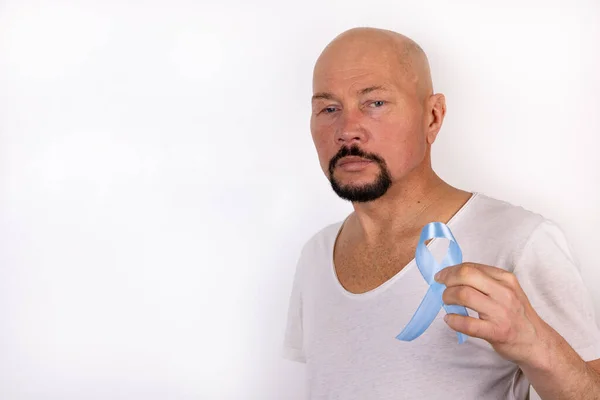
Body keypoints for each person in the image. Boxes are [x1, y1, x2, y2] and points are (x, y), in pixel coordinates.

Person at [282, 27, 600, 399]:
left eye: (375, 104)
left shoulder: (520, 241)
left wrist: (537, 348)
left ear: (432, 117)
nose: (347, 130)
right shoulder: (316, 256)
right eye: (328, 109)